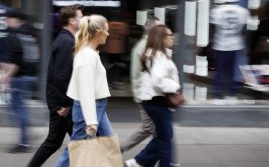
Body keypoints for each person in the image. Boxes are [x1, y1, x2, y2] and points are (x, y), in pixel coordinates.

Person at [28, 4, 83, 167]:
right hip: (62, 103)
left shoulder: (67, 38)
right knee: (54, 141)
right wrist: (65, 104)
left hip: (65, 101)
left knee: (82, 140)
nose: (83, 20)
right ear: (72, 21)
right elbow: (61, 76)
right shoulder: (66, 42)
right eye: (81, 17)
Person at [55, 14, 112, 167]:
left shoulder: (89, 54)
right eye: (106, 30)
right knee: (77, 149)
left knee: (108, 146)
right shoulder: (87, 57)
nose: (108, 33)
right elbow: (86, 91)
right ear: (98, 32)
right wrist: (91, 120)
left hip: (96, 106)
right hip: (91, 107)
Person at [125, 25, 179, 167]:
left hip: (154, 101)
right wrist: (175, 86)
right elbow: (158, 81)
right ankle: (146, 162)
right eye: (170, 34)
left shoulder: (156, 54)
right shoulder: (158, 56)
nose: (173, 37)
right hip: (157, 101)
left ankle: (140, 161)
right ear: (161, 38)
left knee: (163, 136)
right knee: (165, 138)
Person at [0, 9, 39, 153]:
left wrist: (4, 78)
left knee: (18, 109)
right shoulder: (32, 34)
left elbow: (17, 61)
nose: (5, 21)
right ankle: (26, 134)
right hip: (30, 75)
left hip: (20, 77)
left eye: (8, 18)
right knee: (17, 108)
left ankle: (24, 143)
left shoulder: (16, 35)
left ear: (17, 20)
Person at [120, 16, 162, 153]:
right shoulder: (146, 47)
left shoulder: (145, 45)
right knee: (150, 128)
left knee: (158, 130)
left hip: (146, 94)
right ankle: (122, 150)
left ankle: (150, 158)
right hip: (146, 95)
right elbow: (149, 74)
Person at [210, 0, 249, 105]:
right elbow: (243, 29)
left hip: (221, 44)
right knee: (232, 70)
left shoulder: (216, 11)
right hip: (236, 44)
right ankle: (232, 95)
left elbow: (214, 29)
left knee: (220, 70)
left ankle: (218, 95)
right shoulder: (243, 11)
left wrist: (214, 41)